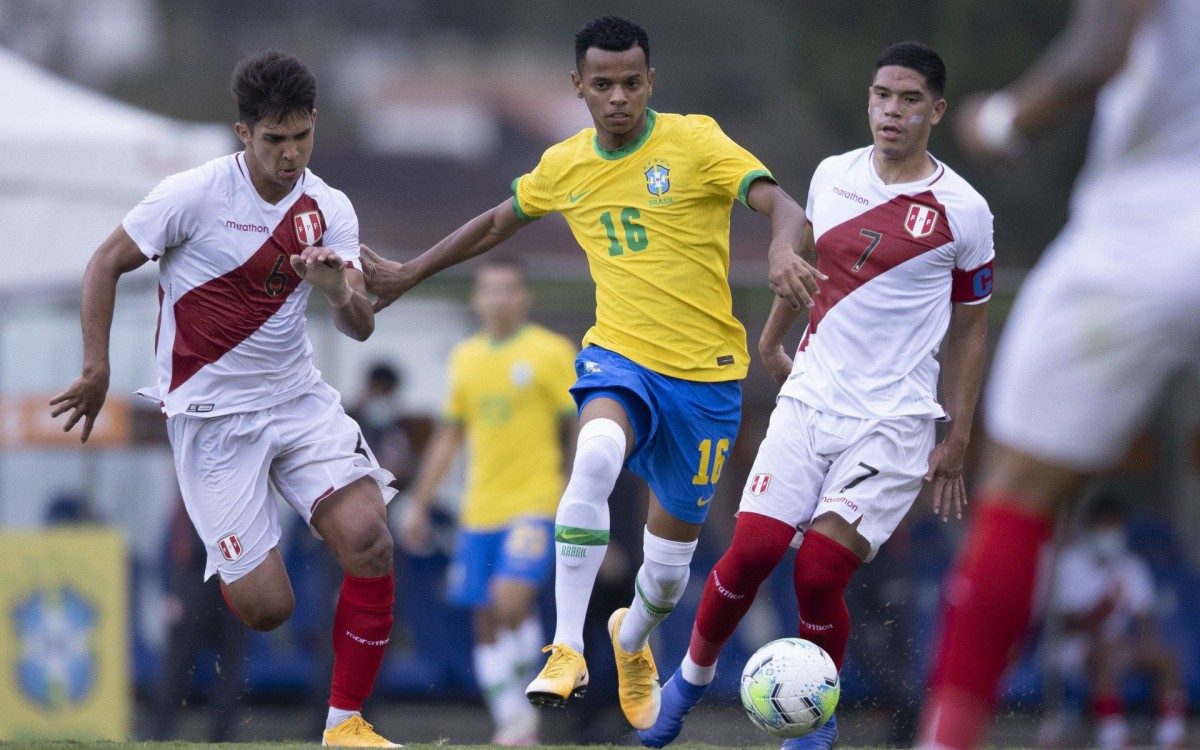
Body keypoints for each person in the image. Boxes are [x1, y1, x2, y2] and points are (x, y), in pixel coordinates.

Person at [360, 14, 820, 731]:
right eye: (602, 84)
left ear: (650, 83)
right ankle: (567, 644)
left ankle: (630, 639)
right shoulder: (565, 165)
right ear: (578, 85)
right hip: (620, 358)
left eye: (631, 83)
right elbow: (491, 225)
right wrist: (409, 273)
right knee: (597, 454)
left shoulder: (695, 141)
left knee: (667, 575)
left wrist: (785, 248)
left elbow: (783, 205)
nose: (617, 97)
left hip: (705, 384)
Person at [639, 41, 994, 750]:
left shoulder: (964, 210)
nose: (892, 112)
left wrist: (956, 438)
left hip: (894, 422)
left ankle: (815, 722)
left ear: (937, 111)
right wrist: (772, 337)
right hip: (809, 400)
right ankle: (688, 680)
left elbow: (971, 330)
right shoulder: (833, 175)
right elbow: (801, 264)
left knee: (820, 568)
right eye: (882, 96)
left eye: (909, 100)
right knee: (749, 553)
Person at [49, 50, 402, 747]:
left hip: (297, 401)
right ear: (243, 133)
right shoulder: (192, 195)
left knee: (369, 541)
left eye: (302, 135)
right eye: (274, 139)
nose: (291, 153)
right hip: (213, 423)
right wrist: (95, 368)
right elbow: (103, 263)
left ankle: (345, 725)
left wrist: (337, 292)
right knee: (268, 609)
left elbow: (359, 326)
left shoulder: (329, 208)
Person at [916, 0, 1200, 747]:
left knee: (1018, 491)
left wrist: (1004, 119)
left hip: (1150, 232)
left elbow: (1104, 45)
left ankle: (947, 737)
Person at [400, 259, 577, 745]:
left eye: (508, 289)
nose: (498, 299)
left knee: (508, 598)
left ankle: (530, 702)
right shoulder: (466, 358)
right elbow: (448, 436)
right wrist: (419, 502)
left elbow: (578, 424)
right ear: (477, 299)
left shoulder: (551, 352)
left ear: (524, 297)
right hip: (478, 512)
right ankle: (513, 724)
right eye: (489, 290)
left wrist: (575, 489)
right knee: (484, 619)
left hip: (536, 502)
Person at [1039, 493, 1186, 750]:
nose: (1110, 533)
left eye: (1115, 526)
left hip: (1119, 644)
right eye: (1104, 525)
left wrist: (1144, 644)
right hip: (1072, 649)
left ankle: (1171, 737)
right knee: (1106, 652)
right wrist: (1101, 611)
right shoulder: (1070, 563)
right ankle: (1114, 738)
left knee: (1167, 657)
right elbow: (1061, 623)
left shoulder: (1132, 566)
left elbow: (1144, 619)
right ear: (1091, 528)